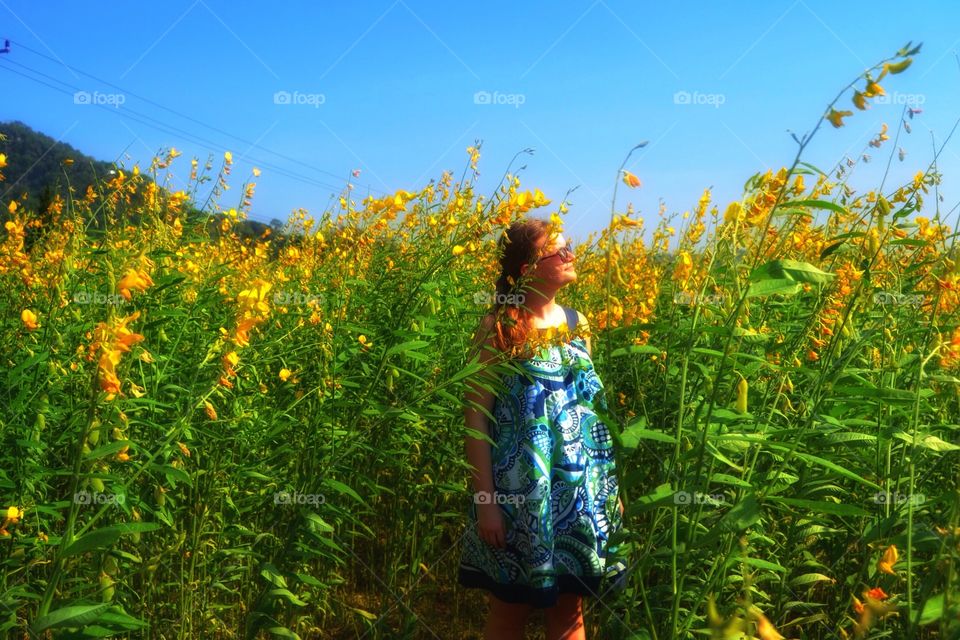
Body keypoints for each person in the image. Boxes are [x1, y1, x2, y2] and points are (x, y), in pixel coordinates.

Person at [458, 217, 625, 640]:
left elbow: (592, 412)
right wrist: (485, 502)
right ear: (528, 267)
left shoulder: (578, 323)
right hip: (518, 495)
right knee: (508, 610)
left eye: (569, 246)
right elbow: (475, 419)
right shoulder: (499, 327)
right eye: (559, 250)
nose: (571, 254)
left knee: (571, 611)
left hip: (579, 490)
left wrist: (610, 491)